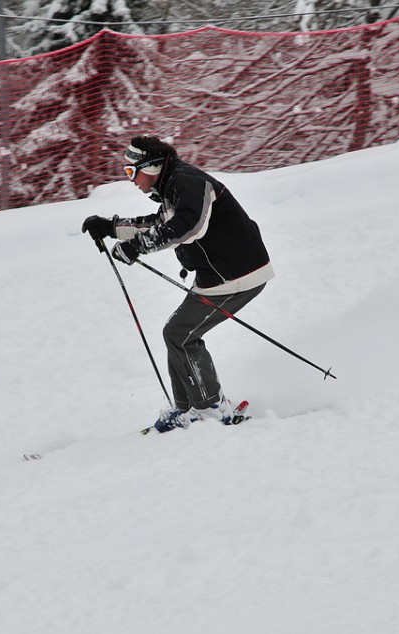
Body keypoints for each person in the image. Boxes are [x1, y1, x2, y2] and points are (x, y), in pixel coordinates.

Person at [82, 135, 274, 433]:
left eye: (133, 172)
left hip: (237, 275)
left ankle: (209, 408)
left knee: (180, 335)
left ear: (155, 166)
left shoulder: (187, 183)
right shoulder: (172, 186)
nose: (131, 180)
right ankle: (188, 410)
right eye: (126, 173)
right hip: (218, 276)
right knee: (177, 333)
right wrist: (111, 227)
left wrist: (138, 247)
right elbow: (160, 223)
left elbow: (188, 226)